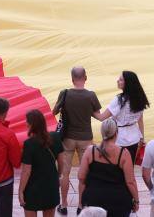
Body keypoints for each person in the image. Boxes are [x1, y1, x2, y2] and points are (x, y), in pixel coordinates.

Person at [52, 66, 102, 214]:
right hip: (86, 138)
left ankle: (65, 205)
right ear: (85, 78)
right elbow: (98, 115)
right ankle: (81, 205)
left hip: (67, 138)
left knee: (65, 173)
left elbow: (53, 111)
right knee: (84, 173)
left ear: (72, 79)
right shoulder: (91, 95)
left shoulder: (65, 94)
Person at [78, 118, 139, 217]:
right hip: (119, 202)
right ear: (116, 133)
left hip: (94, 200)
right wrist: (136, 201)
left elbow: (81, 177)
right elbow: (130, 182)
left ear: (102, 132)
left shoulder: (90, 151)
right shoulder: (124, 153)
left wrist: (81, 200)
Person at [19, 109, 63, 217]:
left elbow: (26, 171)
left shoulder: (28, 144)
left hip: (32, 188)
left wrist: (20, 190)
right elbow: (62, 162)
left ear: (31, 124)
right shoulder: (55, 137)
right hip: (50, 185)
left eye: (27, 121)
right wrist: (57, 175)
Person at [98, 70, 149, 161]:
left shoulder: (119, 100)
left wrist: (89, 108)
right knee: (129, 167)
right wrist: (142, 138)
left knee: (117, 168)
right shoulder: (140, 98)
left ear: (127, 83)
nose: (118, 80)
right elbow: (140, 120)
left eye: (121, 79)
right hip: (135, 138)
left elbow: (101, 117)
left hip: (118, 139)